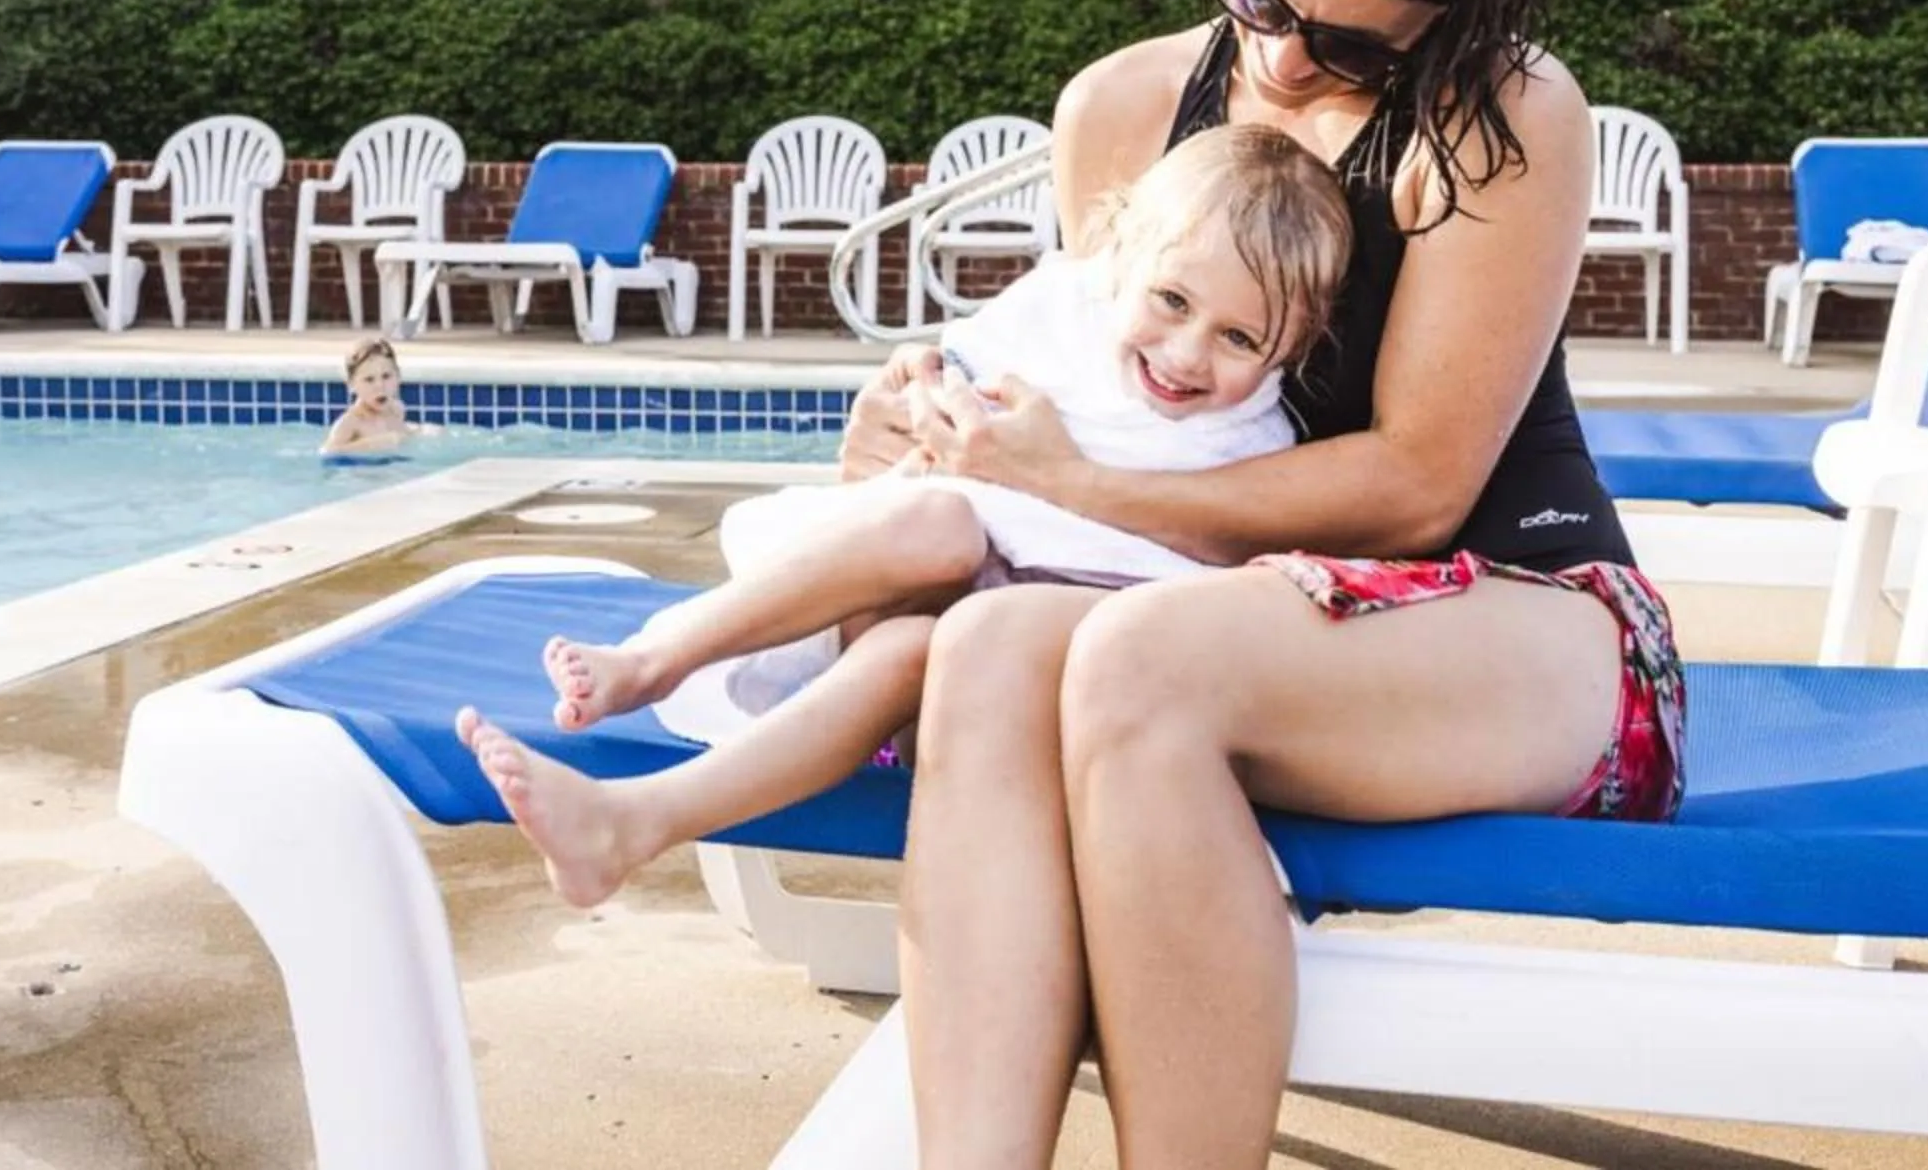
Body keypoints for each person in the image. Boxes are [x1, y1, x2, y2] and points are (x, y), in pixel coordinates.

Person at [840, 0, 1689, 1165]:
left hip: (1528, 621)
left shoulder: (1502, 117)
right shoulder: (1119, 109)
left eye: (1352, 43)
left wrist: (1071, 481)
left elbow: (1422, 485)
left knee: (1134, 660)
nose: (1286, 58)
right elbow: (1097, 396)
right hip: (1212, 618)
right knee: (986, 655)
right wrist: (936, 437)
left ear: (1452, 11)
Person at [451, 122, 1353, 909]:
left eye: (1240, 338)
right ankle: (653, 660)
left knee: (921, 651)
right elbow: (937, 371)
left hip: (1008, 685)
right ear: (1123, 258)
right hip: (915, 586)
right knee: (941, 528)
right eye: (1173, 302)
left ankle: (632, 822)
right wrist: (917, 392)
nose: (1188, 354)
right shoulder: (1064, 314)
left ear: (1296, 344)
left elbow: (1217, 591)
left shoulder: (1252, 445)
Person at [318, 337, 415, 458]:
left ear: (398, 376)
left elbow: (402, 435)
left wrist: (418, 431)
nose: (380, 386)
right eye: (369, 380)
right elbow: (327, 452)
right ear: (352, 385)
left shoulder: (397, 409)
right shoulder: (350, 422)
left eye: (386, 376)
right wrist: (370, 444)